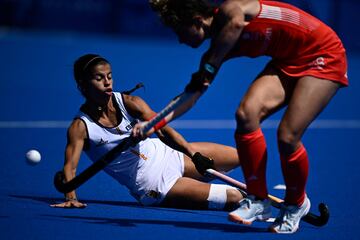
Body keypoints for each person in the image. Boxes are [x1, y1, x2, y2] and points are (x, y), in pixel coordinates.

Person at [140, 0, 348, 233]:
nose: (180, 39)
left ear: (198, 21)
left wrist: (211, 65)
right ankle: (258, 200)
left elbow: (236, 23)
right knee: (245, 115)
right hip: (287, 61)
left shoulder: (231, 10)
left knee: (288, 135)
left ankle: (296, 203)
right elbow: (191, 96)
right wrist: (154, 122)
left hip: (323, 53)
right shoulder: (215, 52)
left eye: (180, 31)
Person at [50, 54, 245, 211]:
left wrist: (192, 154)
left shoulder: (128, 102)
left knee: (244, 156)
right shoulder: (81, 127)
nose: (107, 83)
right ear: (83, 85)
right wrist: (71, 197)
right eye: (99, 78)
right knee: (235, 196)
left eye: (109, 76)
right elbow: (70, 168)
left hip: (168, 154)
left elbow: (163, 130)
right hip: (153, 184)